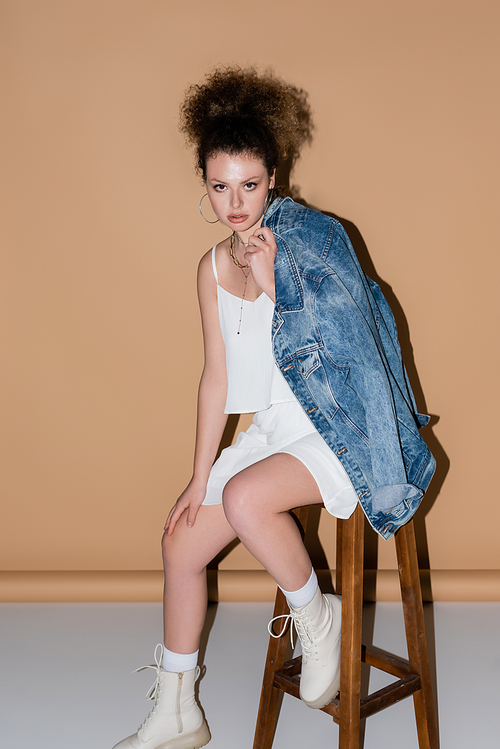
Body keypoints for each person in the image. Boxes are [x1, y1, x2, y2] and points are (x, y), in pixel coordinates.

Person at [112, 67, 435, 749]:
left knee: (250, 500)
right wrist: (198, 475)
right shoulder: (209, 266)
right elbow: (215, 379)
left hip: (343, 427)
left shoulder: (314, 239)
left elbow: (364, 342)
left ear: (275, 173)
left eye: (250, 185)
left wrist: (276, 283)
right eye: (220, 185)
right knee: (180, 537)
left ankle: (319, 620)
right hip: (276, 432)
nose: (236, 201)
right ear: (204, 179)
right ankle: (179, 708)